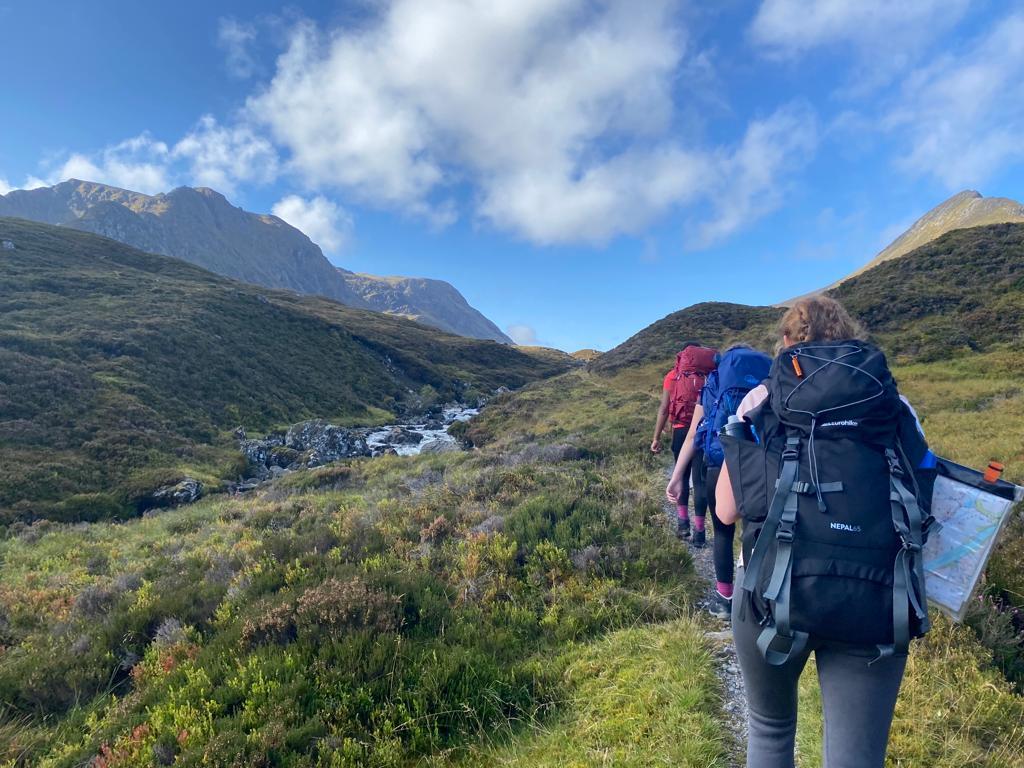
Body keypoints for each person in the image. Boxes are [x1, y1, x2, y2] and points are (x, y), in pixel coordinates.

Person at [714, 296, 933, 768]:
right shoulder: (892, 402)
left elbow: (726, 510)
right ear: (850, 337)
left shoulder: (763, 398)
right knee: (856, 757)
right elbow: (927, 500)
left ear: (789, 342)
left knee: (770, 734)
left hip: (772, 594)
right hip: (878, 599)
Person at [666, 345, 770, 618]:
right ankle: (755, 600)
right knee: (756, 530)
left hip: (718, 461)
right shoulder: (770, 380)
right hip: (760, 464)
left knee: (723, 531)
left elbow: (692, 435)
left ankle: (725, 599)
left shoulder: (713, 382)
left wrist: (677, 477)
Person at [651, 343, 716, 538]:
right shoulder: (711, 375)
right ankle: (700, 531)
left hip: (680, 430)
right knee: (699, 481)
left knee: (681, 477)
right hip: (704, 431)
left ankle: (682, 524)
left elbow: (664, 408)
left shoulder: (673, 376)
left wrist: (656, 437)